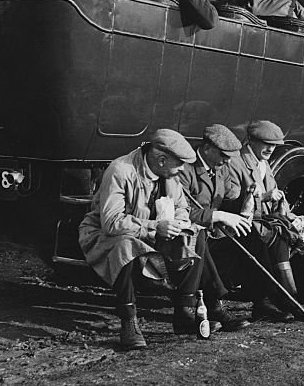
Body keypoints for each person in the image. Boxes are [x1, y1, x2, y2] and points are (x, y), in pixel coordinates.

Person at [78, 129, 213, 350]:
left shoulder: (170, 176)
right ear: (161, 160)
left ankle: (184, 311)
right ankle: (129, 321)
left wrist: (179, 223)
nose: (182, 171)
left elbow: (181, 207)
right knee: (125, 245)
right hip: (106, 236)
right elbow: (112, 223)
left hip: (151, 233)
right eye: (179, 165)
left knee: (196, 233)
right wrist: (154, 227)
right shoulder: (121, 171)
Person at [224, 120, 304, 319]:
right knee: (279, 237)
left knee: (295, 236)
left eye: (275, 145)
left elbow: (275, 197)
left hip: (265, 222)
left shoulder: (263, 164)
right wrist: (263, 197)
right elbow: (231, 202)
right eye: (266, 143)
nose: (271, 149)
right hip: (242, 224)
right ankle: (288, 300)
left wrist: (292, 216)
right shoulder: (237, 163)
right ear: (251, 140)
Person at [178, 124, 257, 332]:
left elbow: (229, 200)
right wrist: (218, 215)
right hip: (186, 235)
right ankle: (214, 305)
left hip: (213, 233)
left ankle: (265, 299)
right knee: (200, 236)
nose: (228, 161)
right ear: (207, 149)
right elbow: (182, 212)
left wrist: (247, 198)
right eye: (224, 155)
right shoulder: (185, 170)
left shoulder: (221, 168)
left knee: (255, 235)